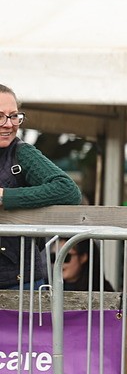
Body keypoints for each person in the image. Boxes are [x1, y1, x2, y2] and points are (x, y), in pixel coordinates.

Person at [0, 84, 83, 289]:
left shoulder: (22, 153)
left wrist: (5, 197)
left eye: (14, 116)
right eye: (0, 116)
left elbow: (68, 191)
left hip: (17, 281)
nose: (9, 124)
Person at [49, 239, 116, 292]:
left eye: (65, 257)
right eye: (53, 257)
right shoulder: (46, 287)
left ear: (83, 257)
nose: (58, 263)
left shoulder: (103, 290)